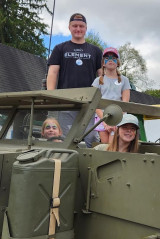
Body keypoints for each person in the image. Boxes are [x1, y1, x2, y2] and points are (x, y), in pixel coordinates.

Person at [46, 13, 102, 147]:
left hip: (89, 103)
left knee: (92, 138)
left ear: (86, 28)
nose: (78, 29)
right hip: (66, 102)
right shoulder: (60, 48)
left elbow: (102, 77)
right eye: (75, 26)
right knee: (63, 138)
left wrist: (104, 99)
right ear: (69, 27)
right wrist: (51, 95)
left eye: (81, 26)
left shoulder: (95, 51)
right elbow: (53, 72)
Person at [92, 47, 130, 143]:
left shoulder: (124, 80)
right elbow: (95, 103)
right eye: (107, 58)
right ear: (103, 63)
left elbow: (125, 103)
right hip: (102, 117)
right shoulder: (97, 81)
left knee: (114, 145)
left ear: (117, 63)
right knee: (105, 146)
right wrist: (105, 122)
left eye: (113, 58)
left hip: (118, 118)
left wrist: (115, 121)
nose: (110, 60)